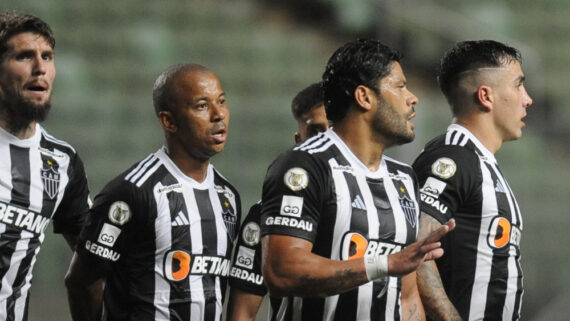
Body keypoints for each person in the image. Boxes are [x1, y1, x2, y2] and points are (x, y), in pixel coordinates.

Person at [259, 38, 455, 321]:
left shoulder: (403, 179)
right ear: (364, 97)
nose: (413, 97)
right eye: (399, 86)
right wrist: (383, 264)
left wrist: (392, 268)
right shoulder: (306, 165)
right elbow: (281, 270)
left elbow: (406, 294)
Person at [64, 64, 241, 321]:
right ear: (168, 121)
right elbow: (82, 282)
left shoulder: (228, 196)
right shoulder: (133, 192)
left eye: (221, 101)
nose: (219, 115)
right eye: (202, 106)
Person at [413, 40, 533, 321]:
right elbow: (414, 251)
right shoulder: (453, 159)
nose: (527, 99)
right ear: (486, 96)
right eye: (518, 85)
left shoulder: (481, 162)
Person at [0, 11, 91, 321]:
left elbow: (94, 259)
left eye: (48, 57)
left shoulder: (62, 162)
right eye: (25, 56)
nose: (40, 68)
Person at [227, 82, 329, 321]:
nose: (326, 140)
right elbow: (242, 313)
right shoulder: (264, 216)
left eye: (334, 129)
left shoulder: (379, 206)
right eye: (316, 131)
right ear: (298, 140)